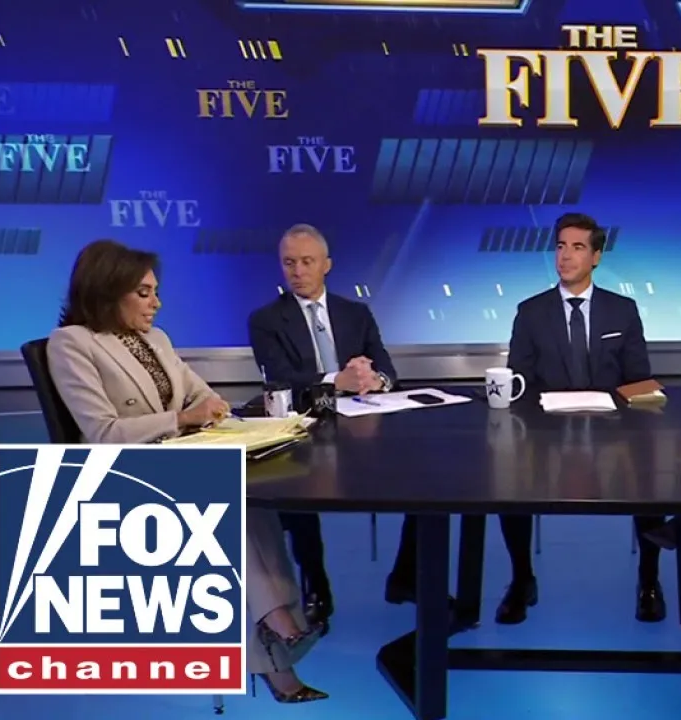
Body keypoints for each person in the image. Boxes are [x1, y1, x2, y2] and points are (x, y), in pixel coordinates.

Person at [47, 240, 327, 703]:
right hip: (122, 474)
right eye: (144, 293)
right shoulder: (72, 343)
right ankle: (281, 637)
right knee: (226, 502)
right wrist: (180, 418)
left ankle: (279, 639)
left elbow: (202, 395)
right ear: (107, 291)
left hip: (178, 462)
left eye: (156, 292)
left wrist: (210, 409)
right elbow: (102, 432)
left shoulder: (156, 339)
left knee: (251, 496)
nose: (156, 303)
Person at [247, 224, 429, 625]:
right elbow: (281, 379)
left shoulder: (355, 314)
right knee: (295, 482)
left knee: (424, 477)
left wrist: (373, 379)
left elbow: (388, 371)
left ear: (326, 265)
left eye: (306, 262)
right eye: (289, 263)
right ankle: (316, 584)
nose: (297, 271)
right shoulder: (266, 320)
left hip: (363, 428)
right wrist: (336, 381)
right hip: (304, 429)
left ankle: (406, 577)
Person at [497, 212, 671, 625]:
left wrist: (634, 417)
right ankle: (522, 579)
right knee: (512, 476)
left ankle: (649, 580)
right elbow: (520, 380)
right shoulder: (531, 312)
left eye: (577, 247)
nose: (566, 256)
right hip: (547, 430)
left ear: (596, 257)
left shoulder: (622, 311)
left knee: (648, 467)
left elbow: (638, 378)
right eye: (561, 246)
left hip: (613, 430)